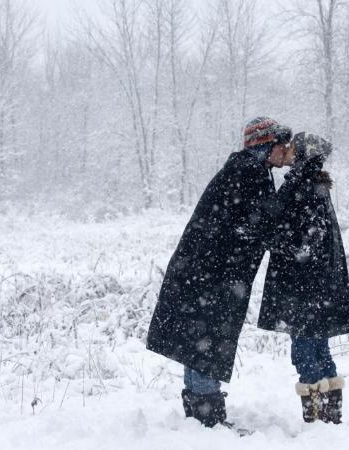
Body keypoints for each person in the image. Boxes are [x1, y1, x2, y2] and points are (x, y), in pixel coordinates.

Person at [146, 117, 324, 428]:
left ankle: (200, 418)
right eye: (282, 144)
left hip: (206, 271)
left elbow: (257, 223)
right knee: (207, 339)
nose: (287, 150)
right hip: (211, 274)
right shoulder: (248, 172)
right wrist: (296, 235)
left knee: (199, 339)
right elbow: (265, 224)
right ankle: (207, 420)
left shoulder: (248, 170)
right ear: (266, 146)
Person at [258, 132, 349, 424]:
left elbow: (306, 241)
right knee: (319, 348)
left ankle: (316, 418)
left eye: (293, 148)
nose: (287, 150)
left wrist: (275, 241)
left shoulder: (303, 186)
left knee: (304, 351)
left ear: (302, 155)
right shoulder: (315, 185)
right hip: (317, 287)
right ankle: (330, 413)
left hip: (303, 287)